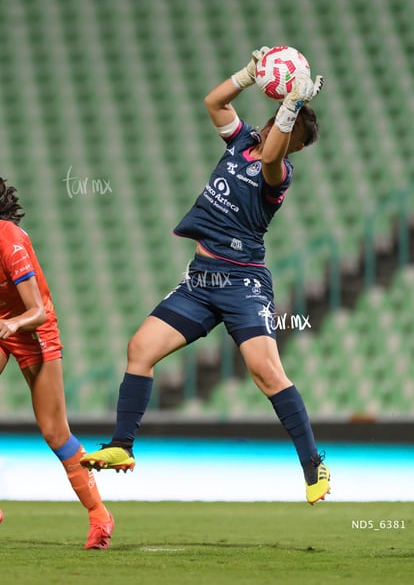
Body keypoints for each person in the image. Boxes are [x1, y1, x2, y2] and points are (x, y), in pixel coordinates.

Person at [81, 47, 330, 504]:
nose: (278, 129)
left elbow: (272, 156)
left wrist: (293, 106)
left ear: (293, 141)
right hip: (202, 279)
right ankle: (121, 445)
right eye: (279, 118)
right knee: (140, 348)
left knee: (267, 372)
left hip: (243, 282)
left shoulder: (279, 172)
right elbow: (214, 103)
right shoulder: (240, 140)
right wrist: (248, 74)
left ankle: (314, 466)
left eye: (288, 130)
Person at [0, 178, 114, 548]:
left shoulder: (9, 239)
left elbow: (35, 311)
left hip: (34, 331)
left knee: (54, 432)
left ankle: (100, 515)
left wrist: (12, 324)